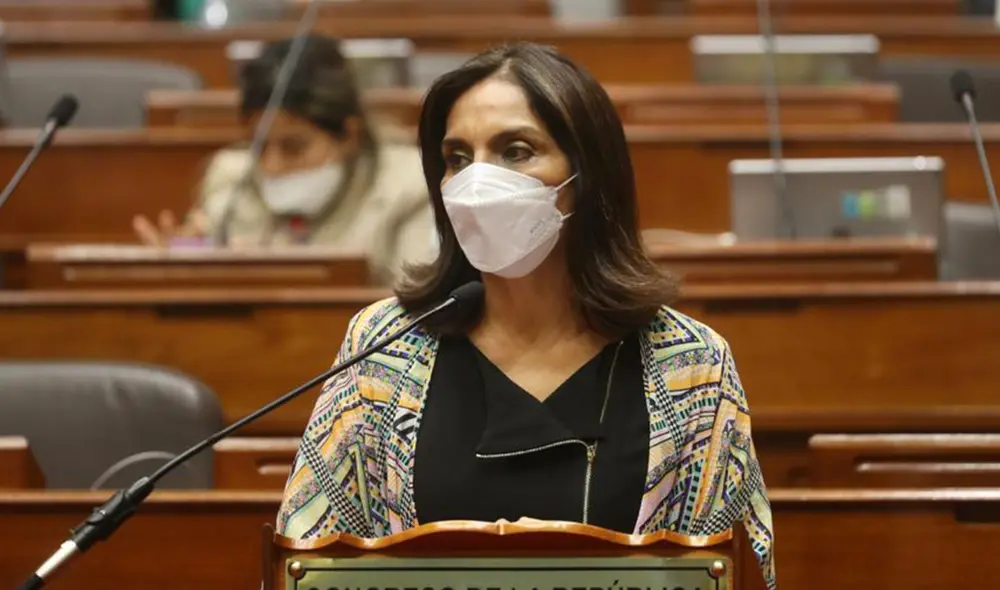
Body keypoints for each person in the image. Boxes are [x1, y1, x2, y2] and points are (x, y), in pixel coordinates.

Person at [276, 42, 776, 588]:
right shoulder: (385, 345)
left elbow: (734, 572)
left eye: (515, 151)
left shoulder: (690, 365)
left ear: (586, 177)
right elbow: (310, 562)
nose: (476, 184)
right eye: (458, 159)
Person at [133, 35, 434, 285]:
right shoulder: (229, 179)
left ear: (348, 135)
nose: (271, 166)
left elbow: (417, 311)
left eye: (294, 147)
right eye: (260, 145)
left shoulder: (410, 187)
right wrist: (180, 268)